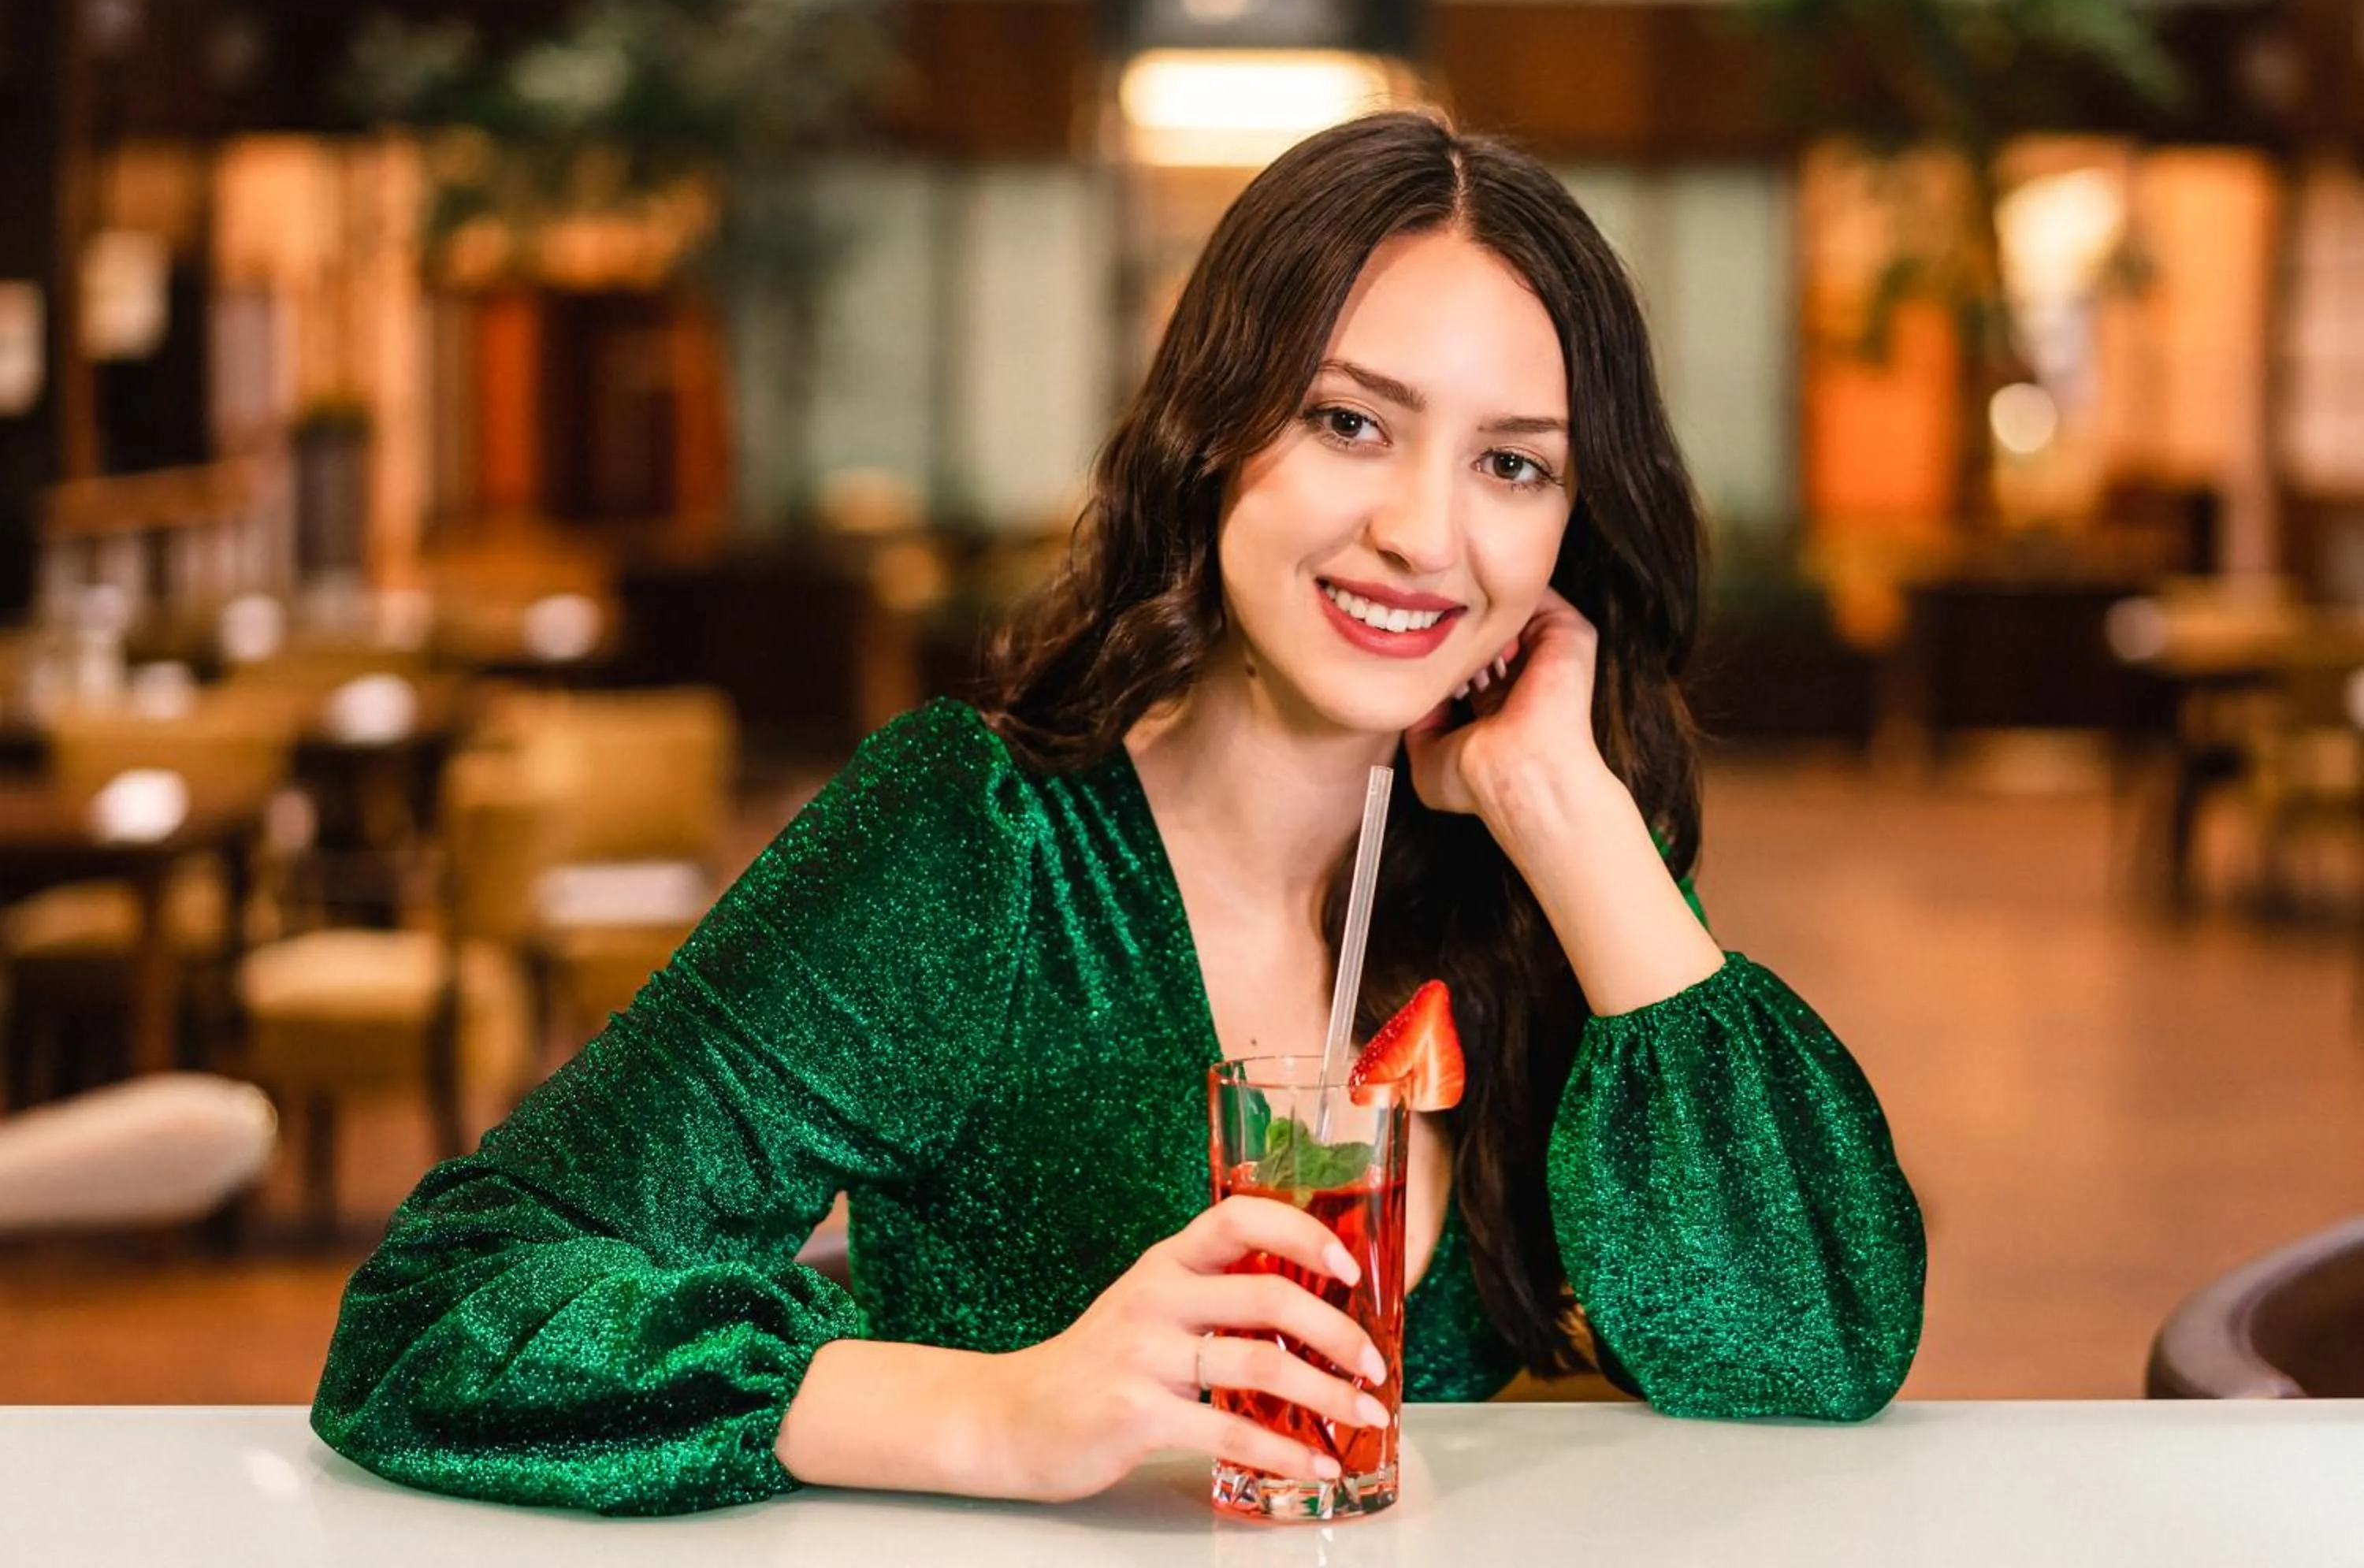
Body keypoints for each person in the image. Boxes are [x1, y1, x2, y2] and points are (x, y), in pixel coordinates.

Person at [311, 110, 1925, 1517]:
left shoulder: (1529, 886)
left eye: (1516, 467)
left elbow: (1814, 1349)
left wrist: (1563, 807)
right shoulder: (978, 852)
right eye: (1349, 421)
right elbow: (440, 1312)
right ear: (1216, 426)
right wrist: (989, 1409)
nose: (1426, 531)